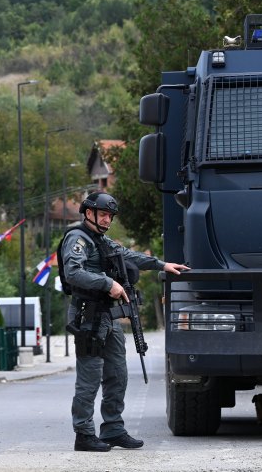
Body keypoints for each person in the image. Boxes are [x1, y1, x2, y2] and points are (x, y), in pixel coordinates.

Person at [59, 191, 188, 452]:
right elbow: (74, 273)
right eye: (103, 214)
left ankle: (113, 429)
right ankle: (84, 434)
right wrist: (109, 283)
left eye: (110, 216)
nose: (107, 219)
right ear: (88, 213)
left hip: (107, 316)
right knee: (90, 377)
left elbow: (129, 256)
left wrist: (162, 265)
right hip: (88, 316)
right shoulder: (78, 238)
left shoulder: (102, 240)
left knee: (118, 374)